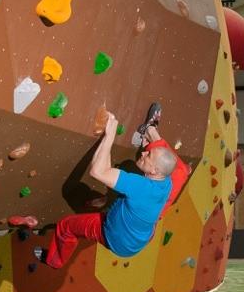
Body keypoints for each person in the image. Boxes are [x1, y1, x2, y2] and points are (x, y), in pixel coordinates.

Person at [37, 105, 177, 269]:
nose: (144, 152)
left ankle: (55, 261)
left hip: (117, 240)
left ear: (154, 171)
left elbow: (97, 171)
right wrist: (151, 141)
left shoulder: (140, 187)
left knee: (66, 226)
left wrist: (109, 136)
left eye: (149, 155)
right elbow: (165, 159)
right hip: (141, 237)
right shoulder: (166, 180)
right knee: (127, 196)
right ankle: (150, 130)